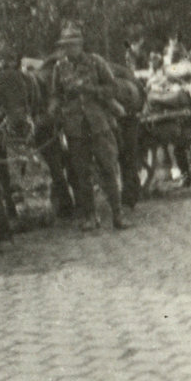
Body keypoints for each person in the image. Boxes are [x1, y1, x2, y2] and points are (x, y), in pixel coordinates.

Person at [48, 22, 131, 231]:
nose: (69, 49)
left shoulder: (96, 63)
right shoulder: (59, 68)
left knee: (109, 169)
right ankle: (90, 217)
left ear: (80, 44)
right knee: (81, 174)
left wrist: (91, 90)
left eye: (73, 44)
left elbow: (113, 88)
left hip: (99, 124)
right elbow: (55, 95)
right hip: (75, 128)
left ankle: (118, 215)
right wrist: (54, 108)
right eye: (66, 45)